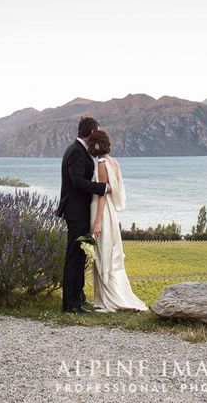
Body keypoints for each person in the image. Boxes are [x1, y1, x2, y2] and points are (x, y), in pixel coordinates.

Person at [88, 130, 148, 313]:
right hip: (111, 213)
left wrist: (97, 222)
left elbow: (103, 194)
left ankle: (107, 299)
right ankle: (112, 295)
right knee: (110, 252)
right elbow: (116, 191)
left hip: (102, 212)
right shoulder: (114, 162)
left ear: (95, 145)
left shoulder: (101, 164)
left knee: (103, 252)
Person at [56, 116, 111, 314]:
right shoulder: (76, 152)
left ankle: (78, 297)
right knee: (74, 258)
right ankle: (70, 304)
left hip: (80, 212)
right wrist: (103, 188)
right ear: (90, 132)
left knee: (80, 256)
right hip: (76, 212)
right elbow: (78, 182)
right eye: (96, 131)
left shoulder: (79, 151)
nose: (97, 135)